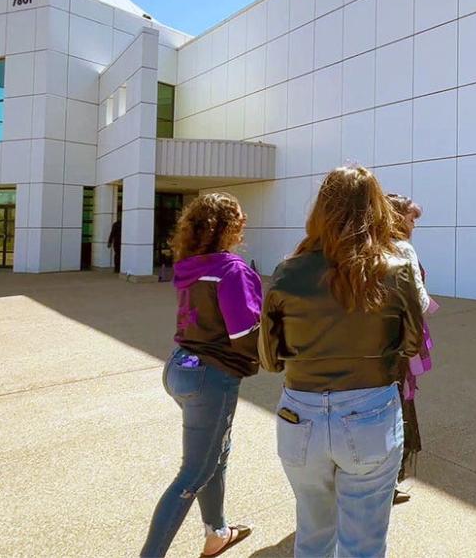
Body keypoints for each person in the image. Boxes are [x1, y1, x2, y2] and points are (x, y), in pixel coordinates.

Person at [259, 167, 424, 557]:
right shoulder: (397, 271)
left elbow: (268, 358)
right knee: (363, 545)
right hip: (371, 412)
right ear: (377, 209)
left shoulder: (287, 272)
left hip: (300, 417)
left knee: (313, 538)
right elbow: (413, 344)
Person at [142, 193, 262, 557]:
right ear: (230, 227)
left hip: (181, 367)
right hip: (211, 377)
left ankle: (217, 532)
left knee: (216, 454)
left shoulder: (189, 265)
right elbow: (245, 335)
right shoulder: (231, 270)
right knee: (192, 474)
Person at [386, 194, 436, 502]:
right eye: (409, 217)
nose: (413, 223)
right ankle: (389, 478)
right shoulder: (403, 248)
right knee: (398, 402)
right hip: (399, 342)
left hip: (372, 342)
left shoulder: (366, 245)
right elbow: (419, 300)